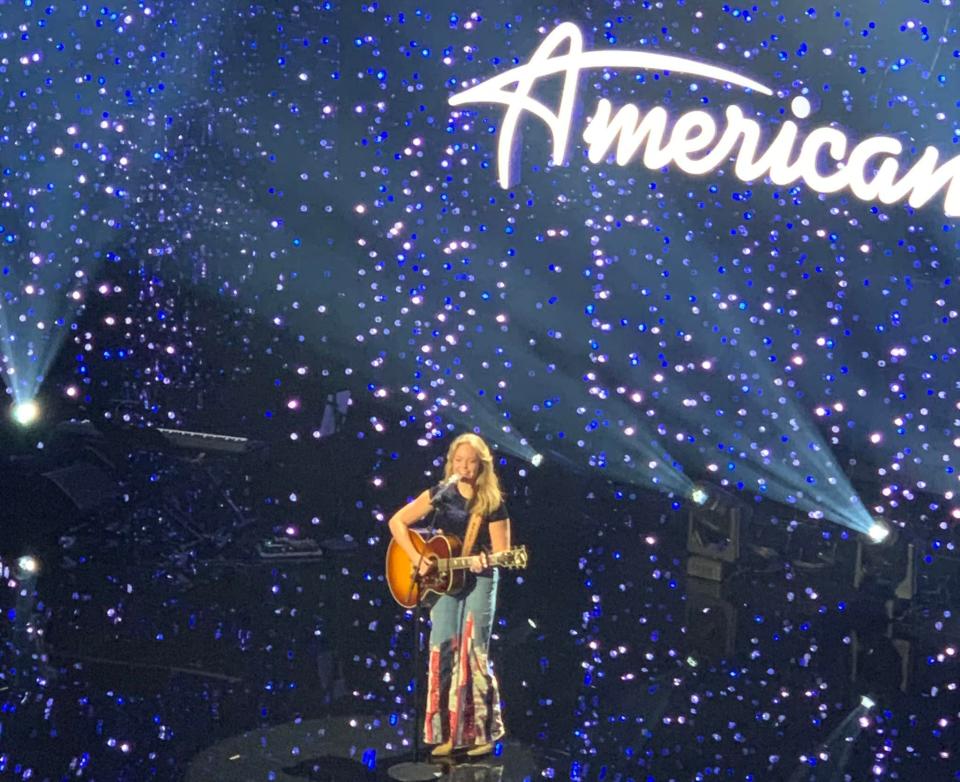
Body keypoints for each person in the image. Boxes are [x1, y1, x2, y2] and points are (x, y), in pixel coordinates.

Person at [388, 432, 511, 758]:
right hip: (442, 580)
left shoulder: (492, 503)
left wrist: (487, 559)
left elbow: (504, 553)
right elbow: (397, 522)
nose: (465, 466)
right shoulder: (440, 494)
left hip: (479, 578)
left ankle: (481, 733)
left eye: (471, 461)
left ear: (482, 465)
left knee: (473, 653)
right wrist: (418, 559)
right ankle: (446, 734)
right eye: (459, 461)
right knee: (442, 650)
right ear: (450, 463)